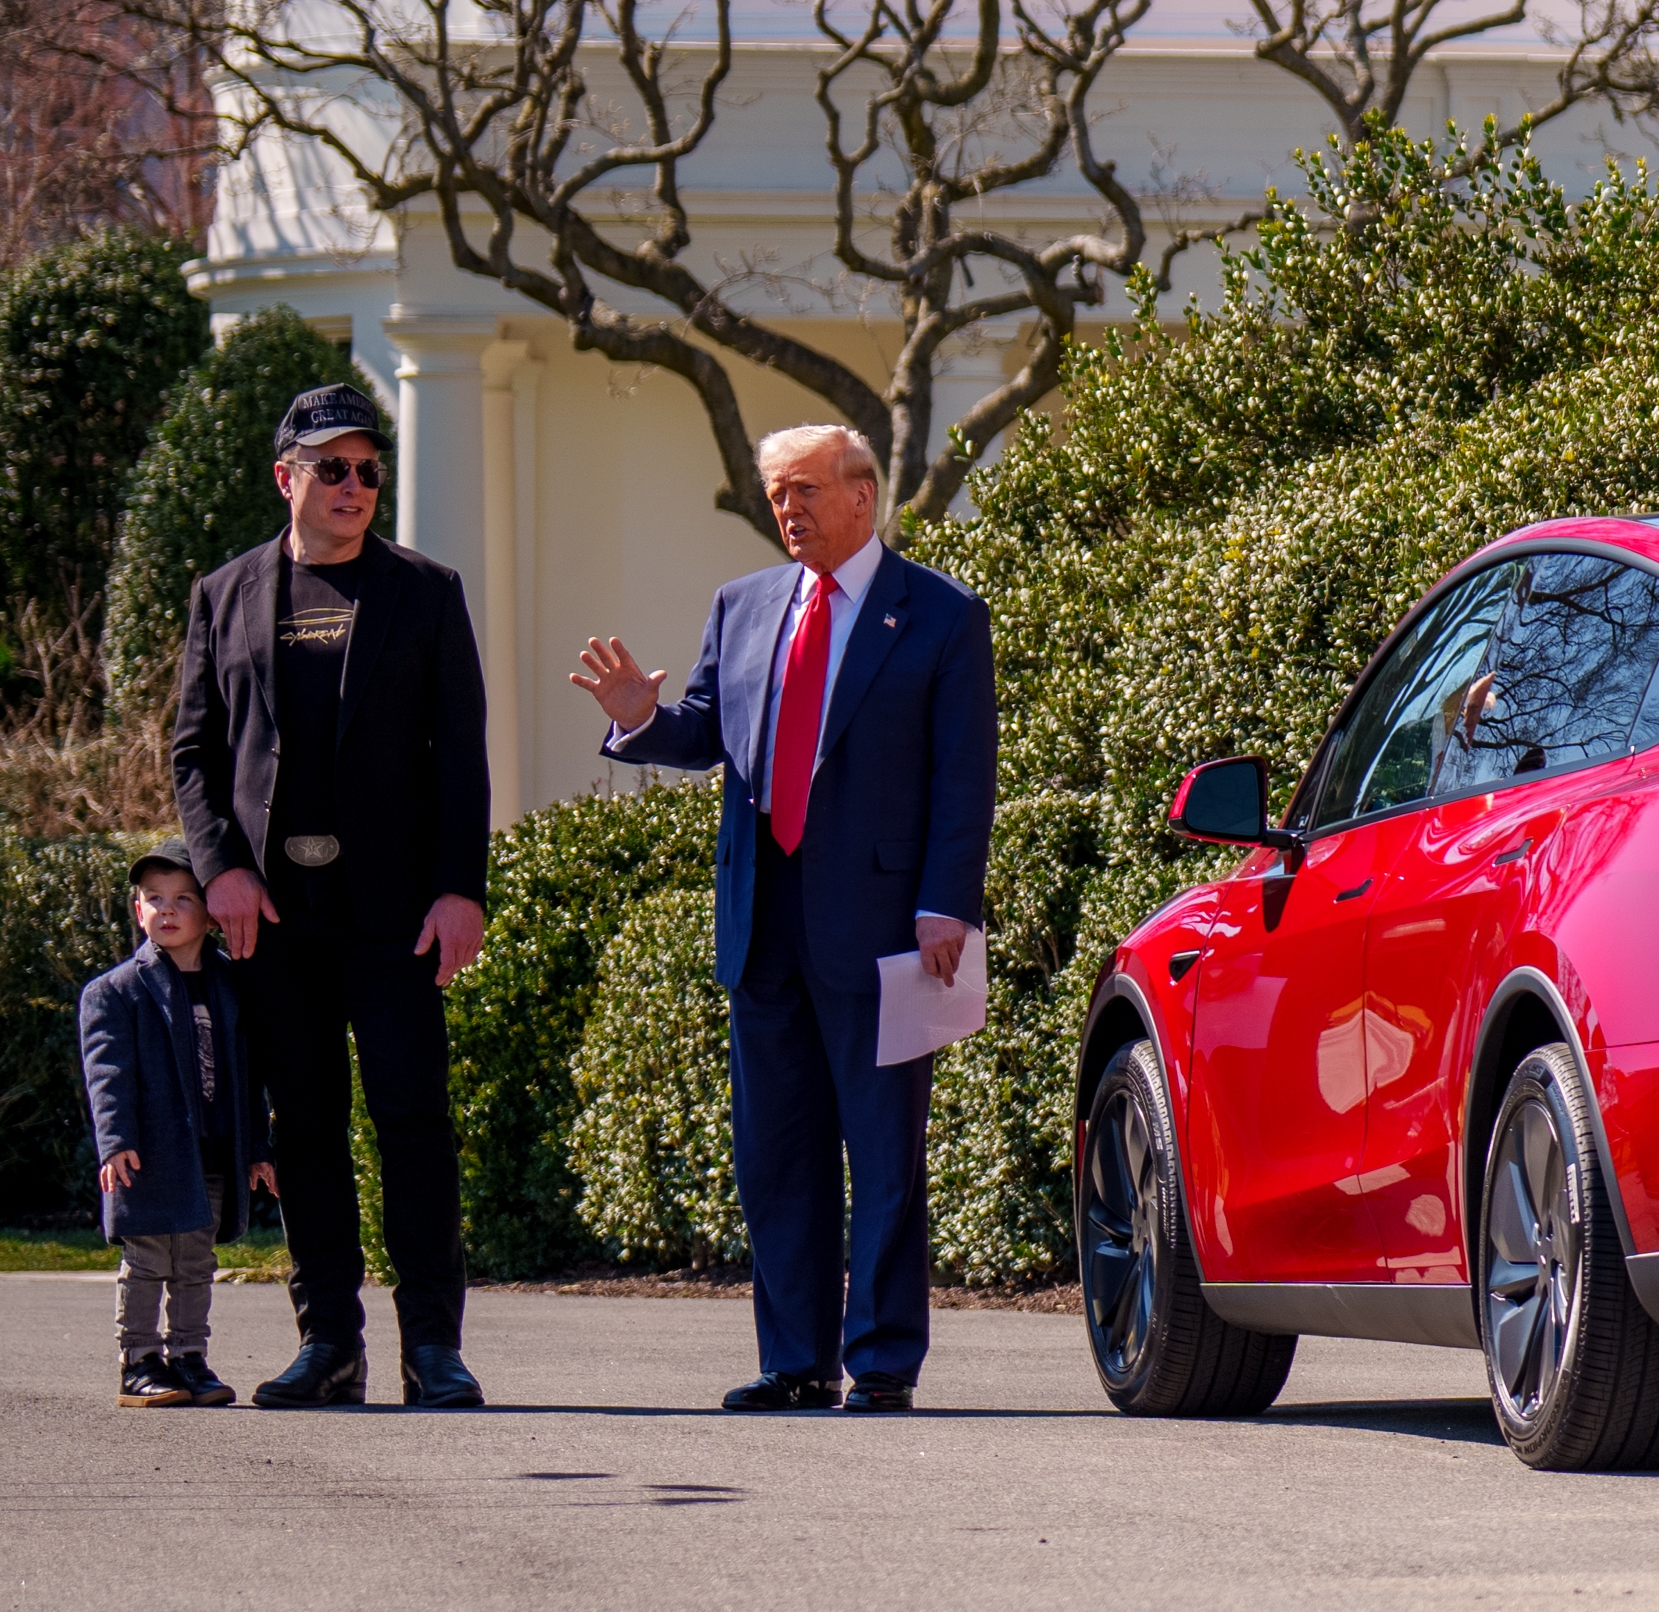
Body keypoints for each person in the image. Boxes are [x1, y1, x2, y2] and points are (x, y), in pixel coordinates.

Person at [569, 423, 994, 1414]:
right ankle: (795, 1359)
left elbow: (962, 777)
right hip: (763, 924)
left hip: (891, 927)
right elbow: (710, 732)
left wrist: (947, 905)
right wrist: (639, 717)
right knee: (777, 1153)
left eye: (804, 490)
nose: (788, 510)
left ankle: (881, 1360)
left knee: (883, 1151)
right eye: (775, 495)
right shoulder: (744, 604)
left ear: (862, 494)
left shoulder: (937, 615)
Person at [171, 384, 493, 1411]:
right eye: (332, 468)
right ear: (287, 477)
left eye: (367, 469)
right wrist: (218, 864)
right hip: (274, 917)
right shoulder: (223, 594)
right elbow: (193, 751)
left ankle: (432, 1349)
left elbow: (461, 757)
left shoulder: (427, 591)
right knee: (303, 1126)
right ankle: (330, 1345)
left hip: (396, 914)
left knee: (413, 1124)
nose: (355, 487)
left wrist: (459, 888)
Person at [82, 838, 274, 1407]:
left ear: (212, 911)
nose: (166, 910)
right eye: (153, 898)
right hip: (149, 1157)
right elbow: (107, 1075)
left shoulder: (232, 984)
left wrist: (258, 1146)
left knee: (195, 1261)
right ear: (137, 908)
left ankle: (189, 1357)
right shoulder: (115, 992)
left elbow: (248, 1075)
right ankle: (138, 1360)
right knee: (146, 1262)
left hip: (213, 1153)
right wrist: (115, 1142)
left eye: (183, 899)